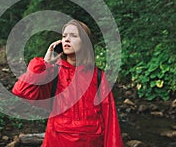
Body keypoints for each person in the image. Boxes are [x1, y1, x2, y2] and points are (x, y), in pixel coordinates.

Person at [12, 19, 123, 147]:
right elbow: (22, 90)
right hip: (57, 141)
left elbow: (110, 119)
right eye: (64, 36)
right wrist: (45, 63)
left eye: (74, 36)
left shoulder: (98, 76)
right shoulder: (53, 73)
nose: (67, 39)